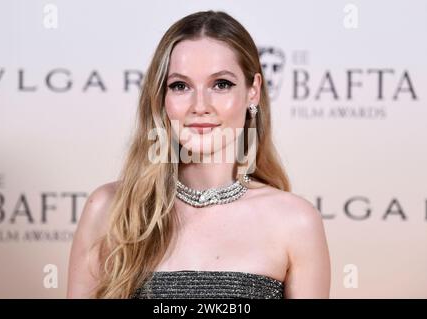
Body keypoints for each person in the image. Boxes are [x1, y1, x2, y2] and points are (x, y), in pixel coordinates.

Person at [66, 10, 330, 299]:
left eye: (221, 84)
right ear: (161, 98)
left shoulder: (295, 221)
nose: (200, 105)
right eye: (180, 86)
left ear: (253, 91)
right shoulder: (108, 210)